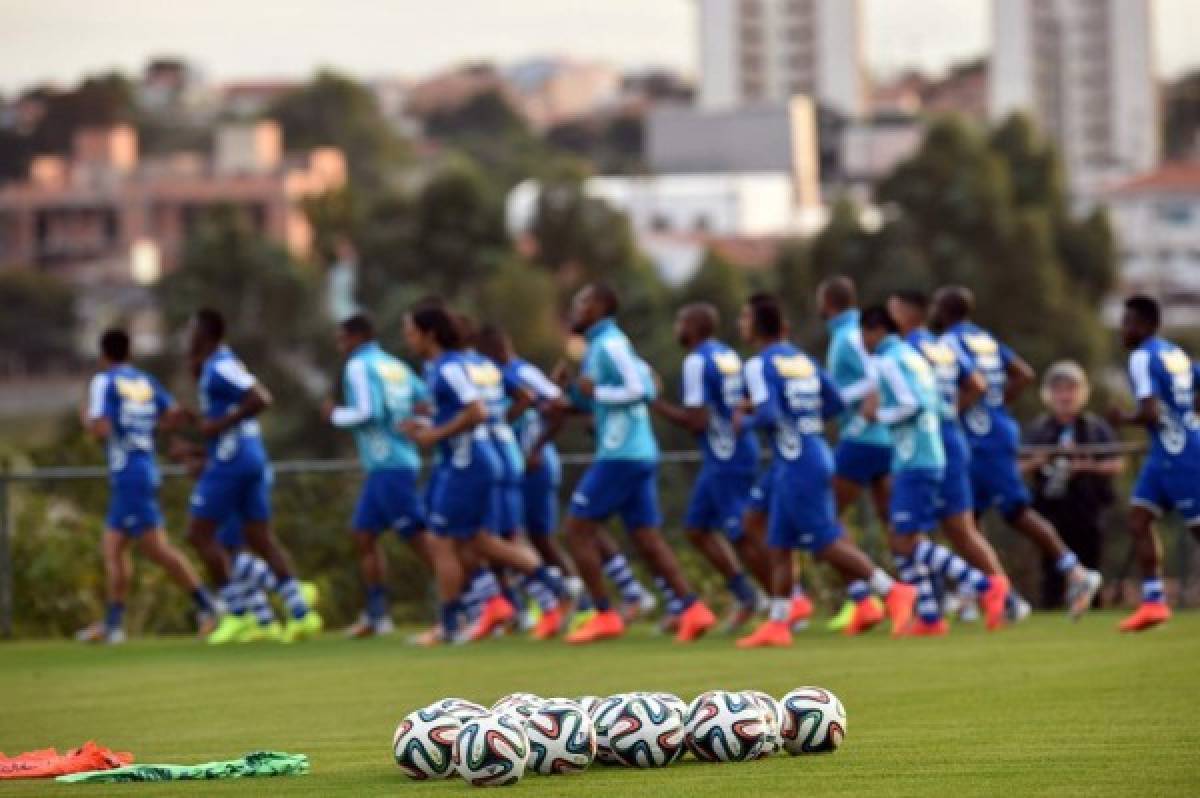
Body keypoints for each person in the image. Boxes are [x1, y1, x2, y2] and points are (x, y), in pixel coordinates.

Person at [735, 294, 917, 648]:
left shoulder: (758, 365)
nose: (741, 324)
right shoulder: (801, 360)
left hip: (797, 460)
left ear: (758, 325)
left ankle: (892, 590)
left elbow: (769, 415)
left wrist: (745, 419)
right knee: (780, 540)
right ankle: (778, 622)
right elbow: (834, 400)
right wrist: (806, 419)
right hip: (810, 450)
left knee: (823, 539)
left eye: (744, 317)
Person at [559, 282, 717, 644]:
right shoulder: (605, 345)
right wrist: (570, 395)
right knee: (646, 537)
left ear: (599, 307)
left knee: (577, 528)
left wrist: (594, 392)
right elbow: (615, 393)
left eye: (582, 303)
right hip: (637, 449)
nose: (576, 310)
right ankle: (693, 608)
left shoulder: (610, 344)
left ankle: (604, 613)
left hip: (621, 453)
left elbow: (644, 390)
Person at [932, 286, 1102, 619]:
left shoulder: (947, 343)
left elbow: (975, 385)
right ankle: (978, 594)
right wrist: (997, 405)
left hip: (982, 439)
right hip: (994, 431)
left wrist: (960, 410)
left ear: (944, 311)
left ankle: (1075, 572)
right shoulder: (985, 339)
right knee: (969, 519)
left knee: (1015, 512)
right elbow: (1023, 374)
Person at [400, 304, 564, 641]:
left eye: (411, 332)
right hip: (491, 454)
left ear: (431, 334)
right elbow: (503, 402)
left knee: (444, 541)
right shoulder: (475, 365)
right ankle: (541, 589)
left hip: (468, 461)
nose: (408, 339)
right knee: (479, 539)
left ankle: (451, 624)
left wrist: (434, 433)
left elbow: (476, 411)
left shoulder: (448, 367)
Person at [859, 306, 1007, 635]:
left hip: (916, 457)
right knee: (908, 539)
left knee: (904, 541)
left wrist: (878, 416)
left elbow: (912, 403)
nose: (862, 342)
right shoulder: (912, 356)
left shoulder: (889, 359)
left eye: (863, 334)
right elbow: (939, 403)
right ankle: (929, 616)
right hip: (930, 452)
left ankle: (985, 585)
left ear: (874, 331)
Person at [184, 309, 323, 644]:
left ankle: (238, 615)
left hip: (233, 461)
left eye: (191, 328)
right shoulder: (216, 364)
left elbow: (260, 398)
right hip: (248, 457)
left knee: (200, 534)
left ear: (205, 332)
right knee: (259, 538)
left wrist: (217, 426)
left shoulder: (219, 365)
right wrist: (203, 427)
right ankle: (302, 614)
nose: (188, 334)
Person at [323, 313, 464, 639]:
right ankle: (376, 614)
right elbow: (426, 402)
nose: (340, 346)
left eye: (342, 339)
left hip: (388, 462)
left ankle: (463, 603)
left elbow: (366, 412)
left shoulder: (359, 366)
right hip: (392, 461)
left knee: (419, 537)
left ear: (357, 337)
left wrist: (335, 415)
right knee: (363, 535)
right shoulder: (395, 365)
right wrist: (410, 422)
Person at [75, 329, 218, 644]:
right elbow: (173, 416)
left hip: (128, 473)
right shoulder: (142, 382)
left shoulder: (104, 382)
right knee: (114, 546)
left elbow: (100, 429)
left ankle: (207, 607)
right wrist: (146, 426)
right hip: (142, 468)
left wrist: (86, 419)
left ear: (103, 354)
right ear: (129, 352)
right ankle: (112, 624)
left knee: (156, 549)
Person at [651, 303, 776, 633]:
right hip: (731, 450)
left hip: (726, 455)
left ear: (692, 326)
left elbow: (696, 420)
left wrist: (652, 401)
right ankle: (746, 595)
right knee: (696, 528)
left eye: (680, 322)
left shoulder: (695, 361)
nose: (677, 329)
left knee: (741, 532)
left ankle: (782, 602)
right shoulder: (727, 354)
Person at [474, 324, 585, 605]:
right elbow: (548, 401)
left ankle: (579, 600)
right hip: (518, 462)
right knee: (514, 536)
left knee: (540, 539)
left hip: (535, 464)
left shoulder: (519, 373)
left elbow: (558, 407)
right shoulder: (512, 374)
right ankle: (541, 603)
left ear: (494, 351)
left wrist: (537, 448)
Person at [1107, 296, 1200, 632]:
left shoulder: (1142, 357)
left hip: (1180, 455)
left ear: (1144, 326)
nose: (1123, 330)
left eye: (1128, 323)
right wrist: (1188, 418)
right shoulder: (1174, 353)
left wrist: (1123, 418)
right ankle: (1154, 602)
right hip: (1164, 454)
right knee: (1138, 519)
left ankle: (1154, 601)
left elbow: (1150, 412)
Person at [816, 277, 892, 631]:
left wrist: (834, 401)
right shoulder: (847, 333)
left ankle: (865, 598)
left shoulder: (849, 335)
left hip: (863, 439)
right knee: (895, 524)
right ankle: (925, 600)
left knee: (824, 518)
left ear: (827, 301)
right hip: (881, 439)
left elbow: (879, 376)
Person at [1023, 361, 1122, 610]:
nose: (1065, 396)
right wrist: (1038, 461)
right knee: (1051, 569)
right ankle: (1050, 611)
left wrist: (1088, 466)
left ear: (1082, 393)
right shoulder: (1039, 428)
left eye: (1071, 389)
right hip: (1050, 509)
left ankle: (1094, 609)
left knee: (1092, 564)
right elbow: (1016, 465)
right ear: (1048, 394)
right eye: (1059, 390)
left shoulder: (1096, 427)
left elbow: (1117, 463)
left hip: (1088, 509)